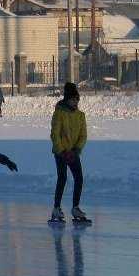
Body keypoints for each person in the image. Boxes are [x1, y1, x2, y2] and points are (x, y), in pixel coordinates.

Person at [50, 82, 90, 224]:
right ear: (67, 99)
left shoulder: (80, 115)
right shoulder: (59, 113)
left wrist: (76, 150)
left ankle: (75, 207)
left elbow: (83, 135)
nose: (75, 102)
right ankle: (56, 208)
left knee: (79, 178)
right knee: (62, 178)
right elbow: (55, 134)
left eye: (77, 99)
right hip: (61, 153)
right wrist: (61, 151)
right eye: (73, 99)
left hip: (73, 153)